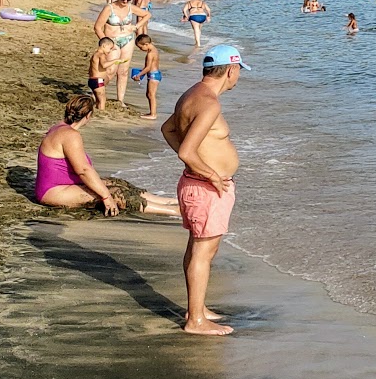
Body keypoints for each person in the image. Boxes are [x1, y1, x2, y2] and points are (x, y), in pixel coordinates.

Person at [161, 44, 248, 336]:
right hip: (204, 189)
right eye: (238, 72)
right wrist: (211, 174)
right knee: (202, 250)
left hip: (196, 185)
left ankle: (196, 309)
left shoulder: (192, 94)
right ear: (231, 70)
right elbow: (187, 150)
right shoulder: (209, 103)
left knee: (200, 248)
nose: (238, 78)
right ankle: (195, 321)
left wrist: (201, 171)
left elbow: (167, 129)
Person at [36, 96, 179, 216]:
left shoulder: (59, 127)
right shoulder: (70, 135)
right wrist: (106, 197)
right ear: (88, 116)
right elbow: (83, 170)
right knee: (117, 194)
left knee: (117, 182)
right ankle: (173, 211)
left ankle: (168, 200)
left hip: (64, 185)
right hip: (54, 191)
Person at [94, 0, 147, 104]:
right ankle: (97, 92)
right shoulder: (109, 8)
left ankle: (120, 100)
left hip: (128, 40)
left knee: (123, 72)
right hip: (112, 41)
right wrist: (105, 43)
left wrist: (136, 26)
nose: (125, 1)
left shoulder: (130, 7)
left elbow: (147, 15)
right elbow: (97, 27)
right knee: (110, 70)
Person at [131, 33, 162, 119]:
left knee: (151, 95)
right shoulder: (154, 50)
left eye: (141, 47)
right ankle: (151, 112)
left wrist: (139, 75)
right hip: (155, 74)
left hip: (153, 75)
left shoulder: (150, 54)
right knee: (149, 94)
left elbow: (148, 67)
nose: (141, 49)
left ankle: (153, 114)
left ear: (147, 44)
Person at [87, 37, 118, 110]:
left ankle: (95, 110)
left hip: (92, 80)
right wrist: (115, 60)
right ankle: (101, 113)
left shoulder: (95, 54)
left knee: (97, 99)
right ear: (104, 46)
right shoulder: (101, 54)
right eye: (110, 48)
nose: (110, 51)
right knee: (102, 99)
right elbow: (104, 65)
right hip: (98, 81)